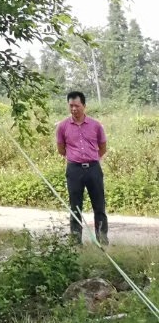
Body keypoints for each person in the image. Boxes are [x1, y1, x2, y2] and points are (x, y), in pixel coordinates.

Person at [56, 89, 108, 246]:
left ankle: (102, 241)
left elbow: (102, 147)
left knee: (99, 206)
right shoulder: (63, 126)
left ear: (84, 106)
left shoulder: (96, 125)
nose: (73, 109)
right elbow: (61, 149)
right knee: (75, 207)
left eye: (77, 105)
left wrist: (93, 159)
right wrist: (75, 158)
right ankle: (75, 243)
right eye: (71, 106)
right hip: (74, 170)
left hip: (93, 169)